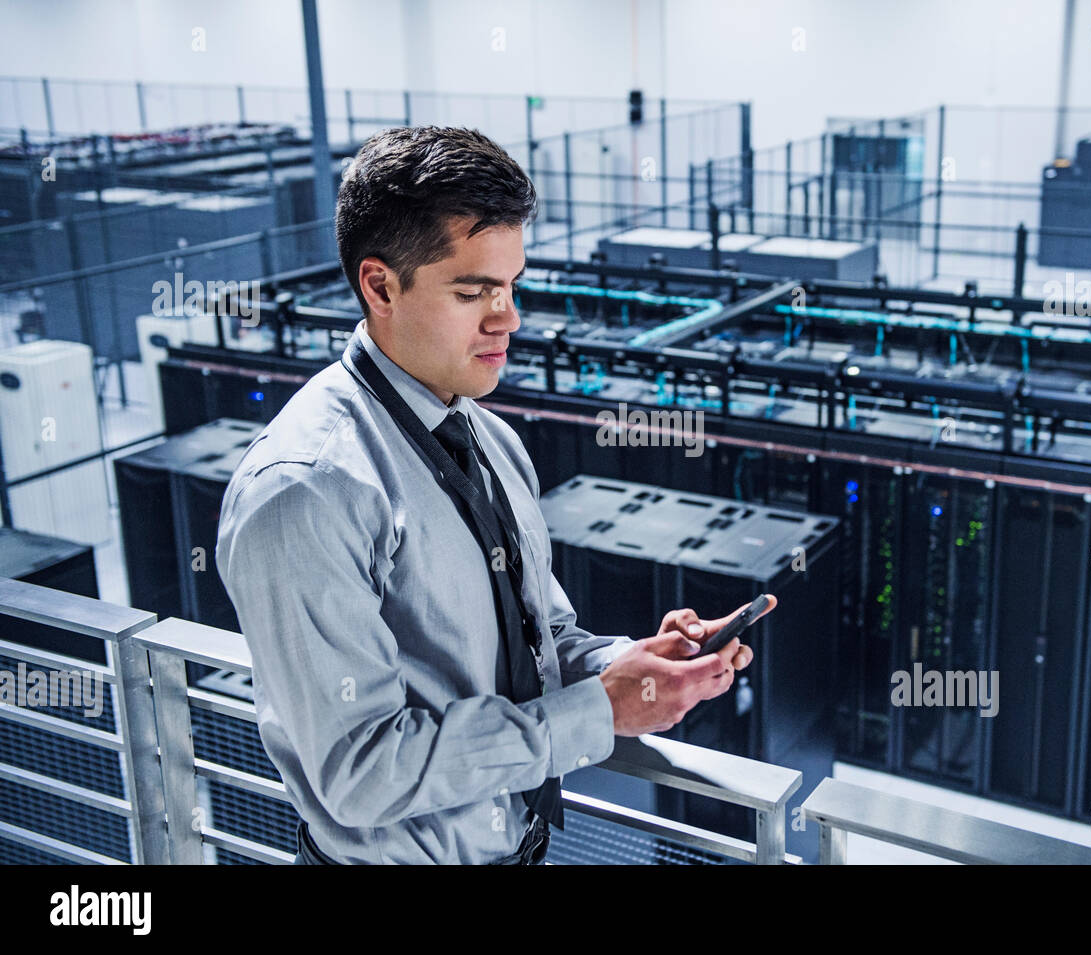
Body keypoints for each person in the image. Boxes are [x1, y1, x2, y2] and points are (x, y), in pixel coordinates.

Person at [215, 125, 761, 865]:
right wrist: (599, 711)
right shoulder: (307, 489)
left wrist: (632, 663)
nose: (507, 317)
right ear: (380, 286)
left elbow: (544, 642)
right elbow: (360, 771)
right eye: (474, 291)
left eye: (511, 286)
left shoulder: (488, 437)